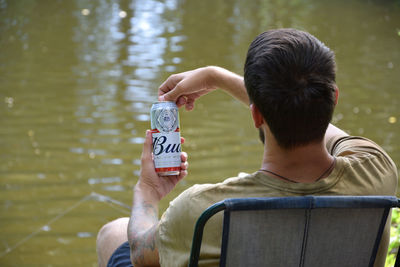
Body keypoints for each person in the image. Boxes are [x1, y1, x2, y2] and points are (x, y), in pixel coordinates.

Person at [96, 29, 398, 267]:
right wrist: (220, 78)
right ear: (334, 98)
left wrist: (147, 189)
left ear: (255, 115)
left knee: (113, 233)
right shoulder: (377, 171)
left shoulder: (203, 212)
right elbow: (320, 123)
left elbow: (139, 252)